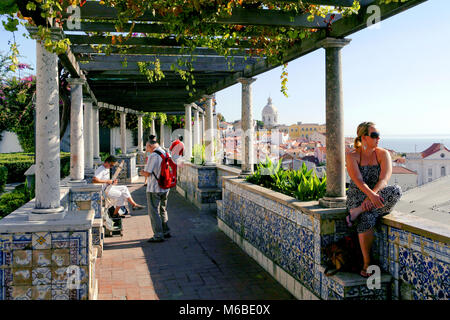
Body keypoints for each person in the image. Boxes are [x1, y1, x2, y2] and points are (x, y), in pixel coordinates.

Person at [346, 122, 402, 278]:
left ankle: (357, 212)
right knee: (368, 217)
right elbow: (357, 180)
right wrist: (369, 196)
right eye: (374, 135)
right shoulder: (352, 156)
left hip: (375, 198)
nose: (378, 138)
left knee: (396, 190)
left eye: (378, 135)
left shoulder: (383, 154)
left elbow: (384, 179)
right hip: (357, 197)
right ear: (363, 137)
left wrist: (372, 195)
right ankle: (366, 264)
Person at [141, 139, 171, 242]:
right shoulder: (165, 152)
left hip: (155, 187)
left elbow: (148, 173)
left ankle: (158, 235)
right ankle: (166, 231)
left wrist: (142, 172)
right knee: (163, 209)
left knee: (153, 211)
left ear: (150, 146)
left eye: (146, 147)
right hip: (166, 186)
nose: (146, 150)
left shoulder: (153, 156)